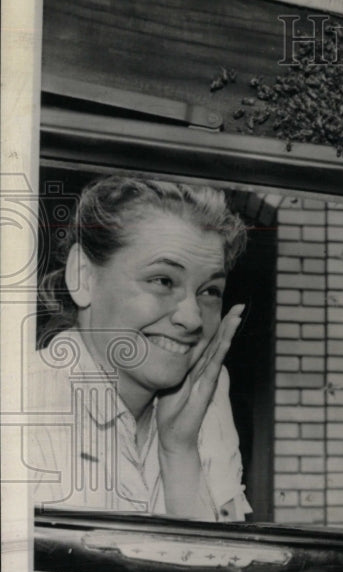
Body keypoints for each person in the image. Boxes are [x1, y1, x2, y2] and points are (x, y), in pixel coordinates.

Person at [29, 175, 252, 522]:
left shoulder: (205, 400)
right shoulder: (19, 404)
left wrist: (179, 451)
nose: (192, 319)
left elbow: (221, 570)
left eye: (210, 291)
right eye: (163, 281)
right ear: (83, 276)